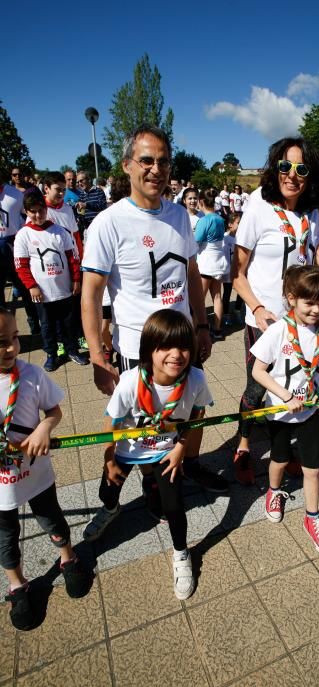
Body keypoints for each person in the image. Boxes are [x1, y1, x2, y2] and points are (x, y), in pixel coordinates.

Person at [81, 124, 226, 494]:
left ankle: (186, 465)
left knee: (191, 406)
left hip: (183, 340)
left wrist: (202, 324)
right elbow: (91, 295)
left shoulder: (178, 215)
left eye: (163, 161)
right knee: (138, 422)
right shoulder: (108, 223)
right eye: (146, 160)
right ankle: (122, 483)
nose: (156, 169)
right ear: (128, 165)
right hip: (138, 349)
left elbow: (191, 271)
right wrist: (98, 356)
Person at [83, 309, 212, 599]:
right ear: (148, 350)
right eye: (165, 346)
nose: (176, 355)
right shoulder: (130, 382)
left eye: (183, 346)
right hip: (128, 450)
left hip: (167, 450)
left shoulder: (195, 379)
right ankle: (111, 509)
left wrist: (181, 447)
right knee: (108, 491)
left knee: (175, 506)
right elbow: (111, 422)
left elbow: (198, 412)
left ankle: (181, 554)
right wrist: (109, 459)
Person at [231, 136, 319, 485]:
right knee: (257, 388)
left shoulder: (311, 211)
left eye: (301, 169)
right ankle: (242, 446)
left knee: (294, 384)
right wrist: (256, 308)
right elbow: (237, 274)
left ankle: (283, 450)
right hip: (265, 319)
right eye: (285, 166)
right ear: (275, 168)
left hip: (298, 321)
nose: (292, 175)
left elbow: (316, 261)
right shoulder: (258, 204)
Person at [0, 307, 93, 630]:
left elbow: (54, 411)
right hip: (2, 487)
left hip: (36, 474)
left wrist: (44, 428)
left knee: (51, 517)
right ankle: (16, 584)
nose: (12, 348)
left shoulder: (30, 375)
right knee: (5, 535)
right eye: (2, 342)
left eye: (15, 337)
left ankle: (68, 557)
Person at [251, 266, 319, 556]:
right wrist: (285, 396)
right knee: (278, 459)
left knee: (312, 468)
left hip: (311, 411)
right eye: (309, 303)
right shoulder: (279, 331)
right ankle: (274, 492)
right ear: (291, 299)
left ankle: (312, 517)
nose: (316, 309)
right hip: (280, 411)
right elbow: (257, 371)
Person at [14, 191, 88, 372]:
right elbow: (21, 266)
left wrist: (76, 280)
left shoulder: (59, 231)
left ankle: (72, 350)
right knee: (47, 326)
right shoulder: (23, 235)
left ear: (46, 209)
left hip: (65, 289)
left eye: (41, 210)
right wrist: (32, 287)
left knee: (69, 322)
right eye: (33, 211)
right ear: (26, 211)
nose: (38, 215)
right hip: (42, 292)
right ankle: (52, 354)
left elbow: (72, 259)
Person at [0, 172, 40, 335]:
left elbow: (30, 215)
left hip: (13, 246)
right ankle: (4, 330)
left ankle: (34, 324)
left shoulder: (15, 194)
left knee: (24, 288)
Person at [195, 188, 229, 340]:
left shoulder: (204, 220)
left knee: (199, 298)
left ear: (201, 202)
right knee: (217, 297)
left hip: (206, 262)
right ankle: (217, 329)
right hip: (219, 260)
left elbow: (196, 241)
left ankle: (198, 327)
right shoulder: (220, 219)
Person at [222, 212, 243, 325]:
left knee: (241, 291)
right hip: (228, 272)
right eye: (238, 223)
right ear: (230, 224)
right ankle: (225, 315)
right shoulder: (225, 238)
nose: (241, 226)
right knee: (227, 293)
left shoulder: (242, 238)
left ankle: (237, 310)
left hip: (240, 272)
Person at [76, 171, 107, 236]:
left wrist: (86, 205)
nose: (79, 183)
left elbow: (103, 207)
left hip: (99, 228)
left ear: (88, 179)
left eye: (81, 180)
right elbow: (81, 213)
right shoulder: (81, 195)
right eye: (78, 182)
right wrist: (77, 209)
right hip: (87, 229)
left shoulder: (98, 191)